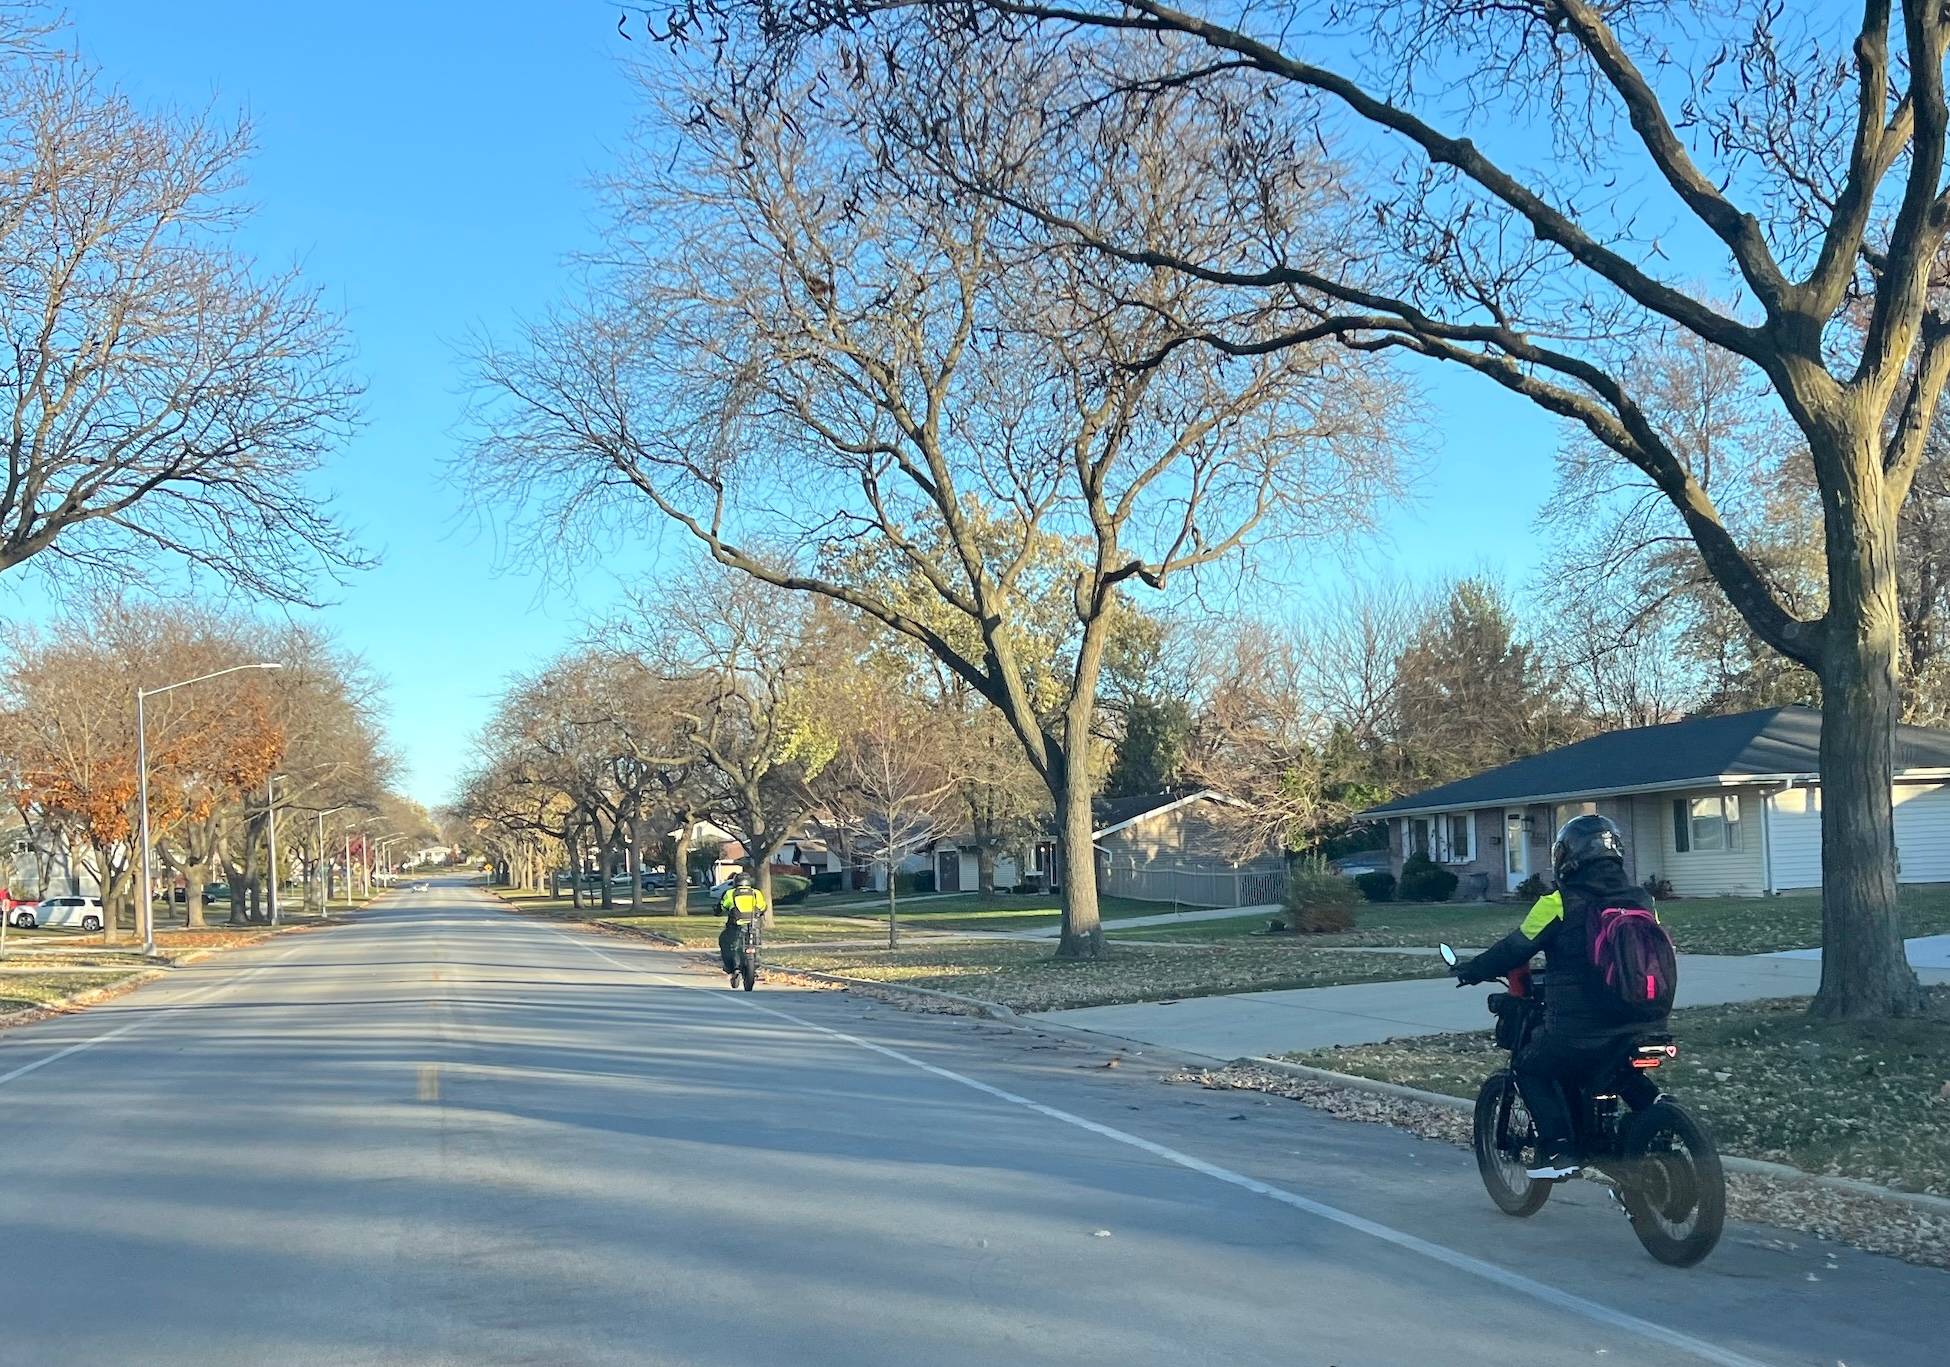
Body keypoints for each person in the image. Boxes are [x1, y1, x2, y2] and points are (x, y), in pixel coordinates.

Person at [1453, 813, 1667, 1180]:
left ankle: (1560, 1150)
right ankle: (1662, 1117)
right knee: (1616, 1069)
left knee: (1531, 1066)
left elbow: (1514, 948)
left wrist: (1472, 970)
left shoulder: (1558, 903)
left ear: (1567, 858)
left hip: (1580, 1029)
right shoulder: (1641, 900)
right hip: (1647, 1020)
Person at [717, 871, 768, 984]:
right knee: (756, 945)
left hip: (735, 926)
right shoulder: (756, 893)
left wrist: (718, 911)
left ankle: (731, 967)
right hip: (753, 926)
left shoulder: (730, 893)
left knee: (725, 941)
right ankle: (755, 964)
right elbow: (763, 907)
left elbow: (722, 906)